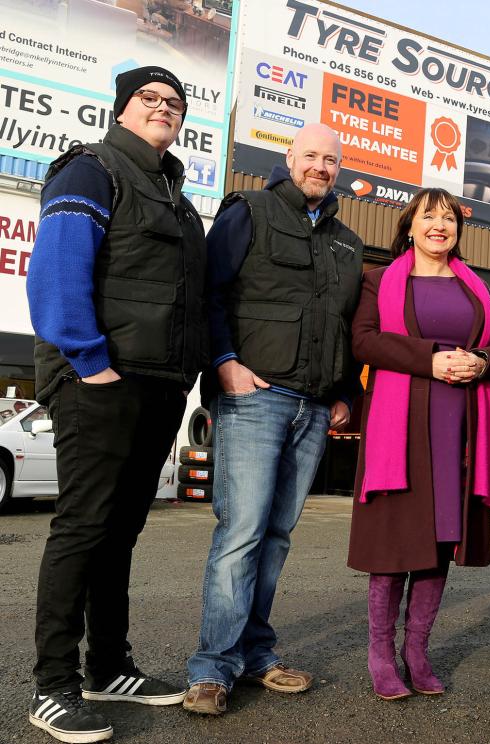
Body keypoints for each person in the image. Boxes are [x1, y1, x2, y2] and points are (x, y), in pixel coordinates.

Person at [26, 66, 206, 742]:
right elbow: (57, 269)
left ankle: (109, 665)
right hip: (100, 382)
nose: (163, 108)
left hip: (159, 386)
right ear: (122, 110)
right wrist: (90, 363)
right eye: (149, 99)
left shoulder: (177, 197)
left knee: (120, 531)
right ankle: (52, 687)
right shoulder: (92, 169)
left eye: (174, 102)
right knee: (81, 528)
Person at [183, 123, 364, 715]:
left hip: (313, 408)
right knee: (241, 534)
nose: (321, 166)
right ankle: (212, 669)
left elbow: (344, 326)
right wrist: (224, 362)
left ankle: (256, 654)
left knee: (277, 536)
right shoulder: (250, 211)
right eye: (310, 155)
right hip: (254, 396)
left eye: (331, 159)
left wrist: (345, 395)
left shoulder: (347, 242)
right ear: (290, 158)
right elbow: (209, 293)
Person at [348, 188, 490, 700]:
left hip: (458, 427)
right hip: (401, 427)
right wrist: (430, 359)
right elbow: (364, 341)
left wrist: (482, 361)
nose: (439, 226)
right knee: (394, 541)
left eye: (448, 220)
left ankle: (417, 651)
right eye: (428, 217)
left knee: (441, 540)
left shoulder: (474, 288)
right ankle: (380, 653)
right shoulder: (379, 281)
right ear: (410, 226)